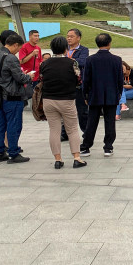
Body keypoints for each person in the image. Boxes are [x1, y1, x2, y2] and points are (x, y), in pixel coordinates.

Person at [39, 35, 87, 169]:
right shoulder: (72, 63)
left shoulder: (44, 63)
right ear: (66, 48)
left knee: (54, 129)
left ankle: (58, 159)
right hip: (67, 99)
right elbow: (79, 80)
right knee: (72, 129)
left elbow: (41, 79)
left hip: (49, 100)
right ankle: (77, 158)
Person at [80, 33, 124, 157]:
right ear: (109, 43)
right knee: (110, 121)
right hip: (111, 94)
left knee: (92, 121)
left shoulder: (90, 60)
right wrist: (119, 93)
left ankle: (85, 146)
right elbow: (120, 79)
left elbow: (86, 79)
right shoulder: (116, 59)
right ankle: (108, 147)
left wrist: (85, 95)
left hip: (95, 95)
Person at [0, 33, 32, 163]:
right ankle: (13, 153)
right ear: (15, 45)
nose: (18, 51)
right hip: (12, 95)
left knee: (0, 124)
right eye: (18, 48)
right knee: (13, 124)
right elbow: (19, 78)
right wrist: (29, 76)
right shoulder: (11, 58)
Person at [66, 28, 90, 133]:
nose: (69, 38)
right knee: (65, 111)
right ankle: (64, 133)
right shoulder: (64, 49)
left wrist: (67, 61)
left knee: (82, 110)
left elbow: (82, 62)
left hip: (78, 84)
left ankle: (86, 132)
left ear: (78, 38)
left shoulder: (83, 50)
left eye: (71, 36)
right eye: (68, 36)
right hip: (65, 83)